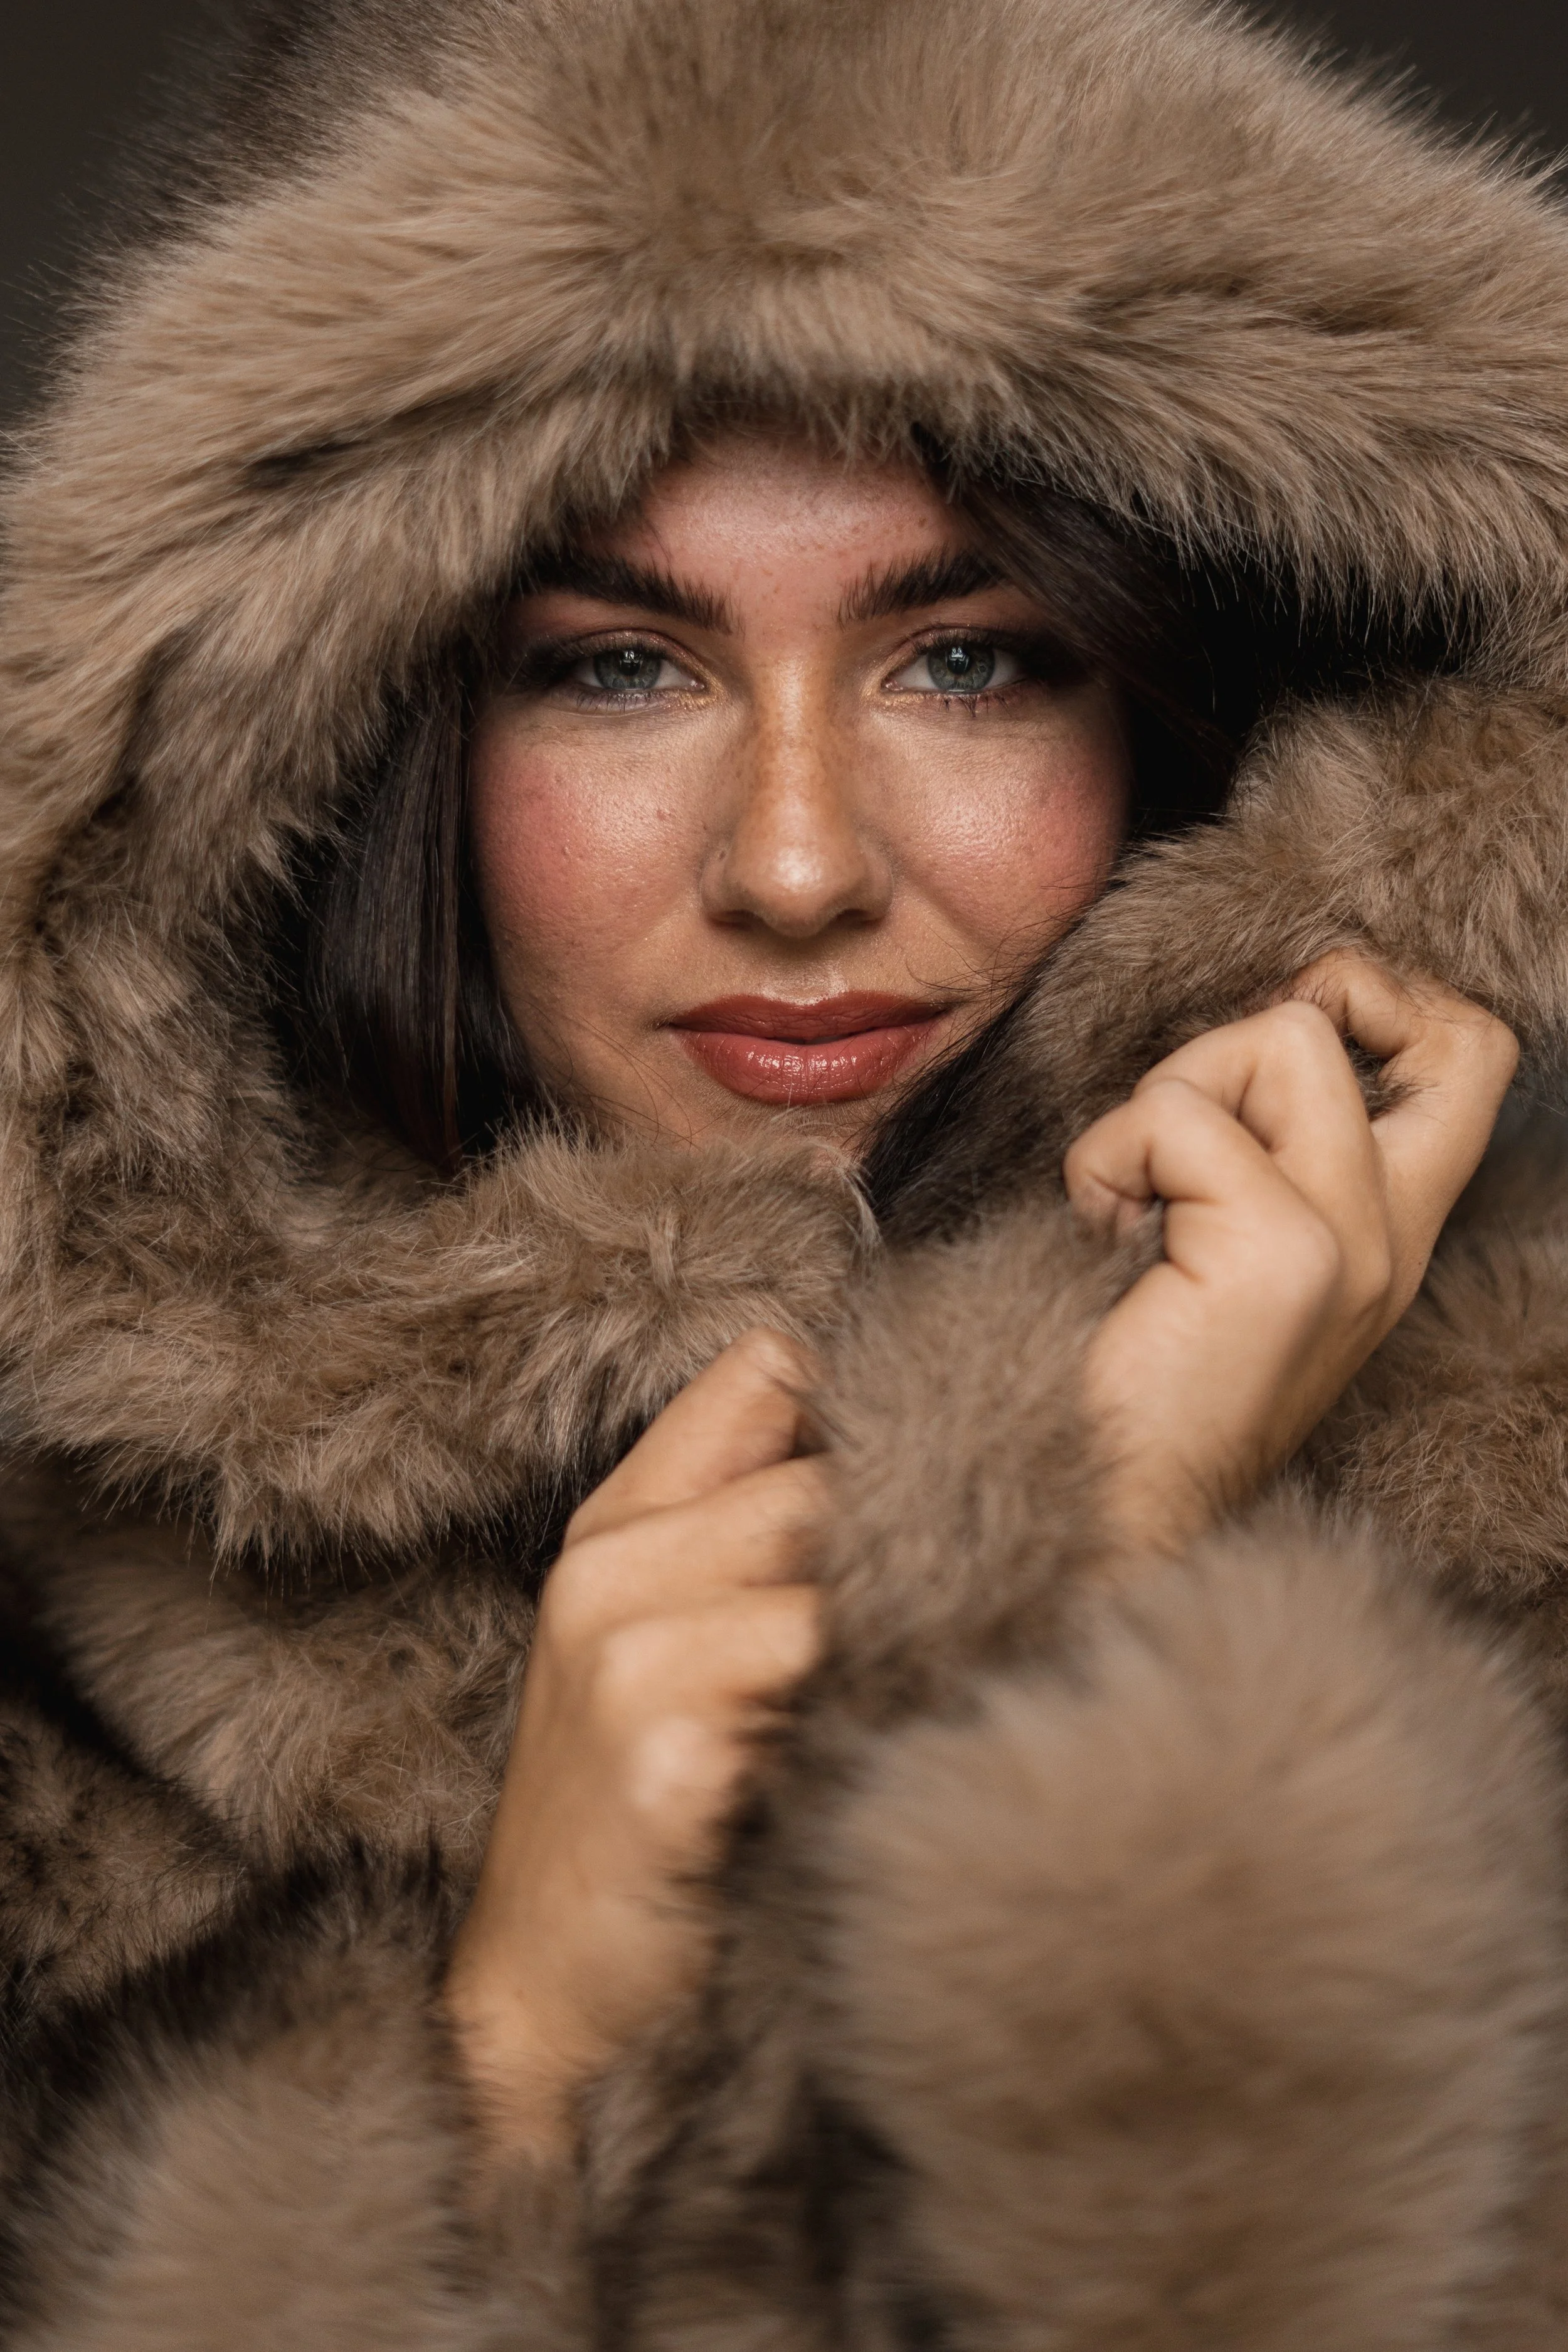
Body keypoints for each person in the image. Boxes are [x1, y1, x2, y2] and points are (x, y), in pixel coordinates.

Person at [0, 0, 1565, 2344]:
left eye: (972, 659)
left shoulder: (1526, 1547)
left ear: (1189, 705)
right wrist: (521, 2041)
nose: (800, 862)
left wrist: (1054, 1592)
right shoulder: (54, 1702)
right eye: (618, 668)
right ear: (357, 738)